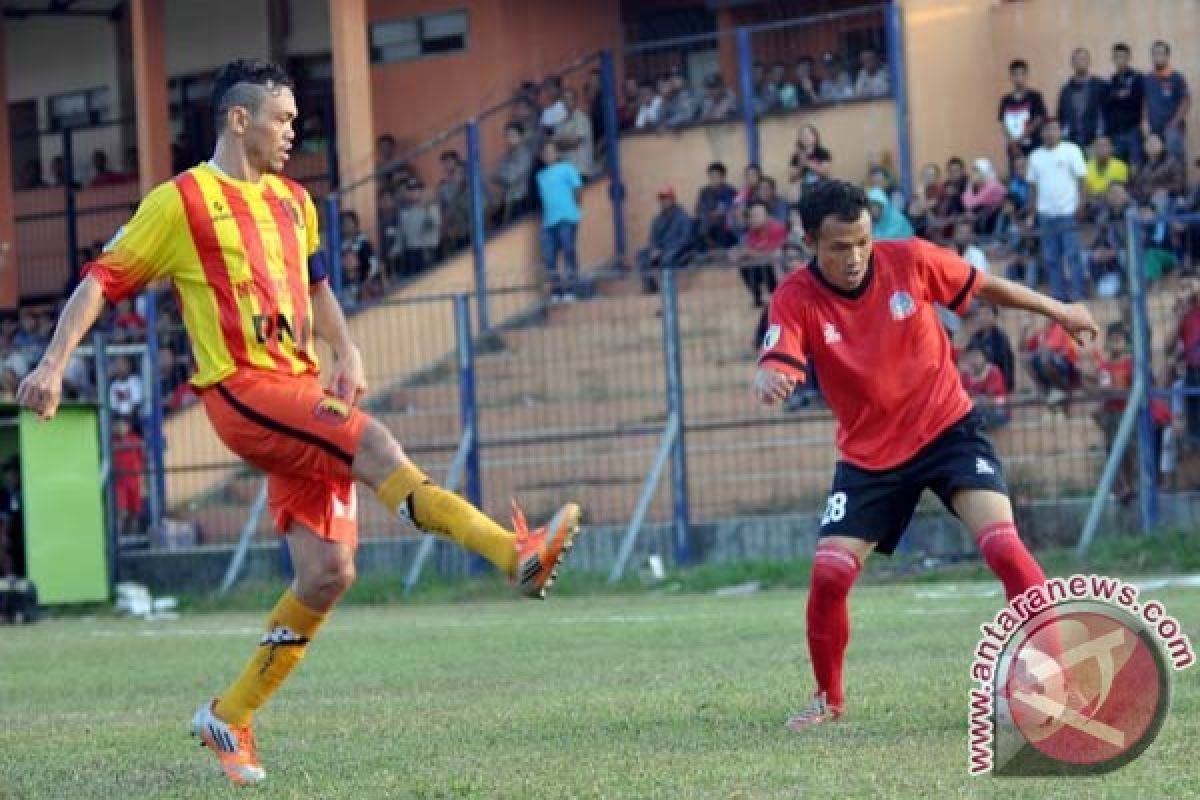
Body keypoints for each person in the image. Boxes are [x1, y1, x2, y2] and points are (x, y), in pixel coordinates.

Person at [14, 59, 581, 788]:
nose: (294, 131)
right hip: (243, 390)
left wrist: (345, 347)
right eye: (283, 118)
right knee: (375, 443)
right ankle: (514, 556)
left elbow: (316, 289)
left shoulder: (294, 203)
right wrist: (54, 363)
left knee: (328, 573)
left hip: (301, 388)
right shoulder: (180, 200)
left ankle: (230, 714)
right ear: (238, 119)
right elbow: (101, 280)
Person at [754, 180, 1098, 729]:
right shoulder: (796, 296)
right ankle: (829, 699)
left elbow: (985, 287)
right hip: (869, 456)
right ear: (810, 242)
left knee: (1006, 548)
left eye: (863, 241)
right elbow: (781, 353)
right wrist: (771, 376)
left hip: (948, 429)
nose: (855, 257)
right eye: (840, 247)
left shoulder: (910, 260)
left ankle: (1057, 679)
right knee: (829, 576)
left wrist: (1058, 309)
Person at [1026, 118, 1087, 300]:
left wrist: (1081, 205)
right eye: (1046, 130)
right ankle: (1058, 295)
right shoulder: (1035, 156)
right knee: (1051, 258)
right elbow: (1033, 188)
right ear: (1041, 133)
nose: (1050, 133)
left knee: (1073, 256)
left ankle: (1078, 294)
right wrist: (1032, 212)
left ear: (1060, 131)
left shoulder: (1071, 150)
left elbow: (1082, 180)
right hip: (1046, 214)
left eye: (1054, 129)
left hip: (1068, 212)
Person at [535, 140, 583, 303]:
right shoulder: (540, 176)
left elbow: (578, 189)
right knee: (549, 257)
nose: (548, 155)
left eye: (551, 151)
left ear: (557, 154)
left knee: (568, 252)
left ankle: (571, 289)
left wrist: (573, 209)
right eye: (545, 153)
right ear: (541, 157)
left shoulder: (567, 168)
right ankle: (556, 291)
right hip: (548, 221)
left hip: (567, 218)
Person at [638, 188, 694, 294]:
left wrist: (667, 249)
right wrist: (654, 249)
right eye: (662, 199)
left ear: (673, 199)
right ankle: (651, 287)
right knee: (642, 257)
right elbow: (652, 238)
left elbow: (686, 238)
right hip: (662, 249)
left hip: (679, 249)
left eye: (666, 198)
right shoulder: (658, 219)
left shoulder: (682, 216)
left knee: (667, 257)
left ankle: (669, 290)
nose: (664, 202)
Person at [1143, 40, 1190, 168]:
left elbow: (1185, 101)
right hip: (1153, 129)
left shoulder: (1177, 77)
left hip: (1172, 129)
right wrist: (1144, 121)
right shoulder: (1148, 78)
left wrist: (1174, 123)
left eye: (1161, 53)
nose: (1158, 57)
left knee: (1175, 162)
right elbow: (1145, 101)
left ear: (1167, 56)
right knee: (1155, 163)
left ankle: (1179, 188)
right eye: (1155, 54)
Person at [998, 59, 1048, 167]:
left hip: (1033, 146)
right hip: (1013, 150)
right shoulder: (1005, 100)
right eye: (1015, 74)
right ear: (1010, 77)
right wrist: (1013, 142)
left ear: (1027, 76)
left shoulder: (1035, 96)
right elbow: (1003, 123)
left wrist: (1021, 138)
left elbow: (1038, 119)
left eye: (1022, 74)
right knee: (1016, 179)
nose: (1018, 78)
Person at [1055, 48, 1107, 149]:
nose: (1080, 62)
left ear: (1089, 61)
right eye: (1077, 59)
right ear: (1072, 63)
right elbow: (1061, 117)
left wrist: (1102, 136)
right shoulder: (1066, 90)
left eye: (1083, 59)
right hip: (1072, 143)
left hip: (1095, 142)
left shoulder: (1101, 86)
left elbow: (1107, 114)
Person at [1105, 43, 1144, 166]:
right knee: (1118, 167)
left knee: (1136, 166)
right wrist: (1118, 95)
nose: (1120, 60)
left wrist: (1119, 96)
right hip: (1116, 131)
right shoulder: (1111, 80)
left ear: (1129, 58)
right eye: (1117, 57)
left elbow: (1138, 99)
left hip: (1133, 129)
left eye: (1123, 56)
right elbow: (1107, 102)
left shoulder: (1138, 77)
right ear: (1113, 59)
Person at [959, 345, 1010, 430]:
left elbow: (997, 400)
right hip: (978, 411)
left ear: (984, 357)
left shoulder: (993, 371)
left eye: (977, 356)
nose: (974, 360)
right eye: (971, 356)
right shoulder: (966, 374)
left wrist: (975, 400)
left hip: (996, 412)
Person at [111, 414, 146, 536]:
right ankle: (118, 540)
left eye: (122, 424)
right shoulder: (110, 441)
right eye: (117, 425)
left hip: (134, 482)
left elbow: (142, 460)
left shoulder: (135, 440)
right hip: (119, 483)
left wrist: (143, 483)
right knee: (121, 513)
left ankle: (133, 538)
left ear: (128, 426)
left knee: (135, 513)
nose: (119, 427)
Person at [694, 162, 737, 253]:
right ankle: (702, 254)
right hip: (707, 221)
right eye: (711, 176)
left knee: (721, 223)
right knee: (695, 225)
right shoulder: (704, 191)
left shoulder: (730, 190)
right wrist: (708, 213)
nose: (713, 179)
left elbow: (730, 208)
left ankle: (721, 252)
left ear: (723, 177)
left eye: (716, 176)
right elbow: (698, 208)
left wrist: (717, 213)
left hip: (723, 222)